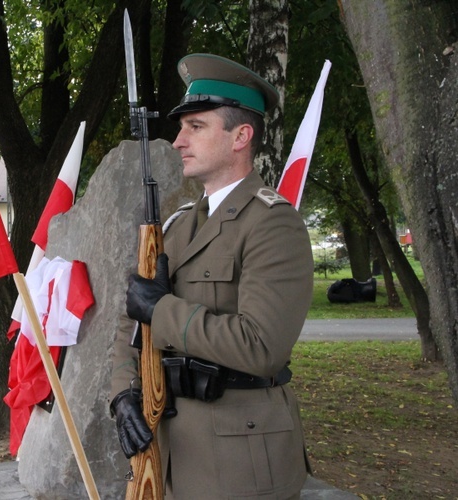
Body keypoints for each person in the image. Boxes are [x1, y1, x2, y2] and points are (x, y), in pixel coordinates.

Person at [109, 54, 314, 499]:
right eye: (182, 128)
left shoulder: (273, 225)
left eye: (196, 127)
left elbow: (260, 345)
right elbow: (131, 322)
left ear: (241, 136)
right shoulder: (176, 224)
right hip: (168, 447)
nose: (179, 141)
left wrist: (162, 309)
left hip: (240, 455)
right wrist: (124, 394)